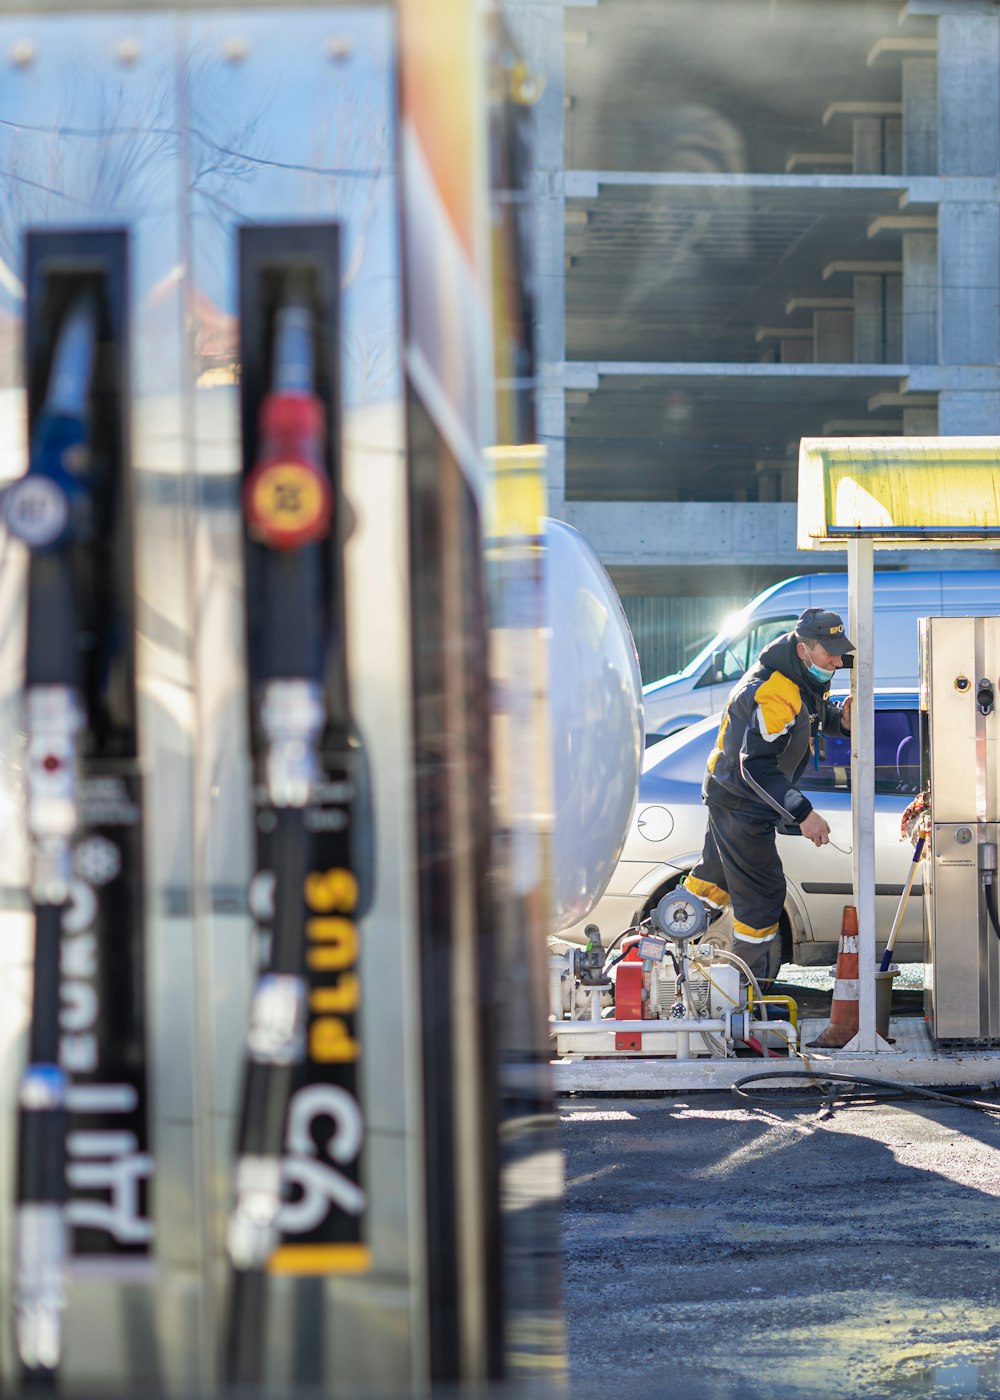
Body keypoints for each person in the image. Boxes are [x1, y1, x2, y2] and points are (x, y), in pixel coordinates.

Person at [682, 607, 855, 987]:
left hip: (733, 798)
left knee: (713, 881)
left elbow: (806, 715)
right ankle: (738, 994)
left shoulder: (797, 678)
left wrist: (839, 720)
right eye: (830, 653)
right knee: (762, 896)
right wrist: (803, 813)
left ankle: (659, 946)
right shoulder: (774, 690)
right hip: (742, 803)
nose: (838, 661)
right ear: (804, 650)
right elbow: (756, 766)